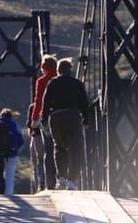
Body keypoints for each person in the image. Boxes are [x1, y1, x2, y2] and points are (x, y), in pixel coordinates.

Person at [42, 58, 89, 191]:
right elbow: (84, 103)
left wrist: (45, 119)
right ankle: (72, 181)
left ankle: (61, 178)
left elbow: (46, 102)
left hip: (56, 118)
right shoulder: (77, 83)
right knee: (76, 149)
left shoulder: (52, 82)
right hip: (73, 117)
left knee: (59, 147)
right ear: (70, 70)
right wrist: (86, 120)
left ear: (58, 70)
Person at [30, 54, 58, 190]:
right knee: (60, 148)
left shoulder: (41, 81)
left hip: (46, 119)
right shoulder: (61, 79)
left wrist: (34, 119)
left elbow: (38, 101)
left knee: (48, 149)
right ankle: (62, 178)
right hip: (61, 117)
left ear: (45, 68)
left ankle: (49, 182)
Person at [0, 108, 24, 195]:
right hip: (12, 154)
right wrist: (17, 152)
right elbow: (21, 141)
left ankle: (0, 193)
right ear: (11, 116)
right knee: (10, 176)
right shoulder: (15, 125)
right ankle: (9, 194)